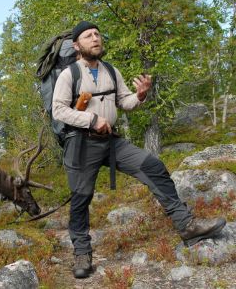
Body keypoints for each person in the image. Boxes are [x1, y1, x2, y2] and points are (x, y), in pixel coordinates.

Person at [52, 21, 226, 279]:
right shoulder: (70, 75)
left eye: (98, 34)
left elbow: (124, 102)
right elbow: (59, 110)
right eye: (88, 36)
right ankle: (82, 253)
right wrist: (92, 120)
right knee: (81, 198)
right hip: (80, 143)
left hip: (111, 141)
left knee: (153, 166)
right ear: (77, 45)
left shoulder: (111, 70)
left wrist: (141, 95)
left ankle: (186, 225)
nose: (95, 38)